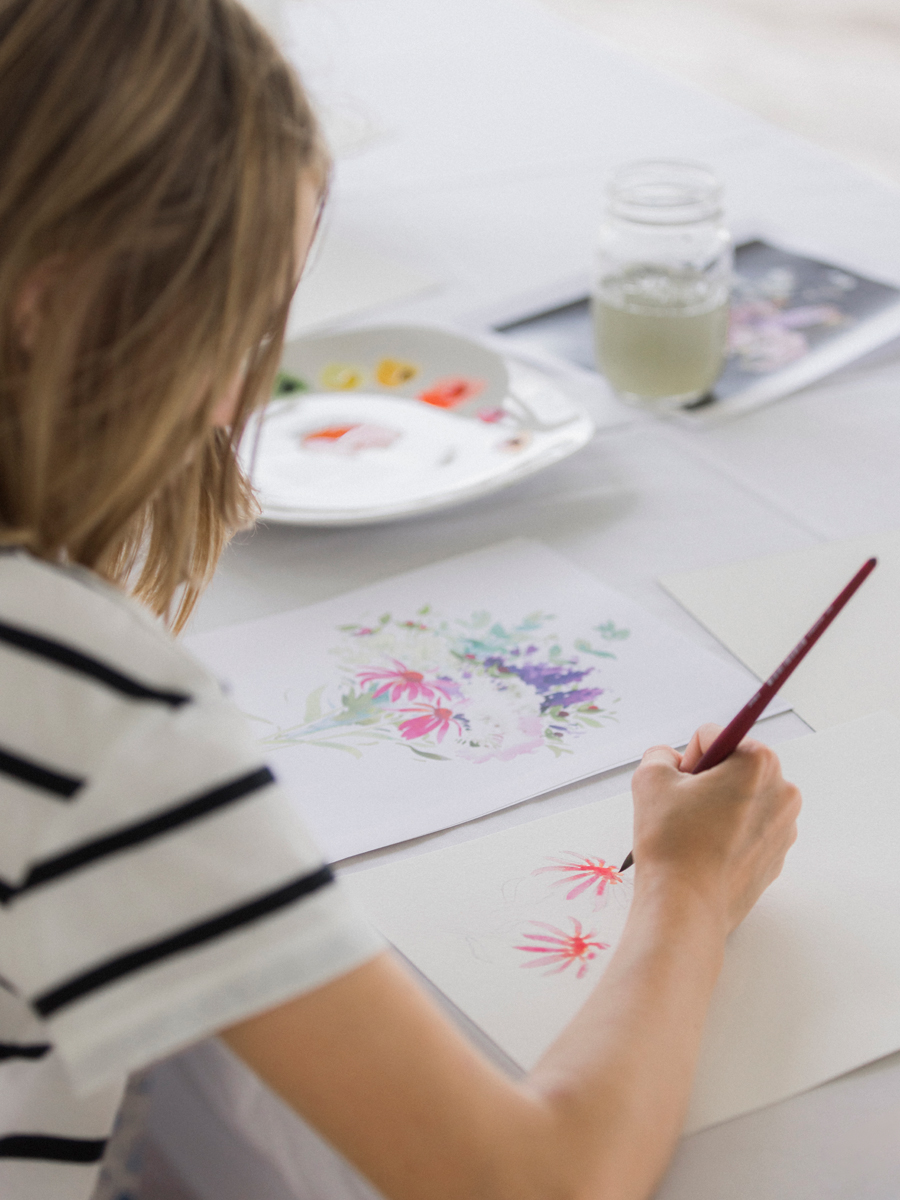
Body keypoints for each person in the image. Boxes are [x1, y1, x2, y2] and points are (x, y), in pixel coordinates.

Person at [0, 2, 801, 1199]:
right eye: (238, 323)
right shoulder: (88, 710)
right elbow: (536, 1182)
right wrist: (690, 889)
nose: (241, 399)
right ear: (50, 303)